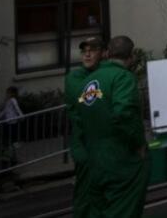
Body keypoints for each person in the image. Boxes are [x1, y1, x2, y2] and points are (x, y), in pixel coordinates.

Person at [73, 35, 149, 217]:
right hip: (119, 158)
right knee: (124, 207)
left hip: (93, 158)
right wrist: (139, 143)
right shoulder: (123, 78)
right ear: (130, 57)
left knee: (98, 209)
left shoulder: (88, 81)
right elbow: (124, 113)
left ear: (107, 53)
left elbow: (79, 117)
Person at [65, 36, 106, 217]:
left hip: (105, 145)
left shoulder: (106, 73)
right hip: (84, 143)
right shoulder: (75, 77)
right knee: (85, 191)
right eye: (84, 51)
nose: (87, 54)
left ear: (103, 53)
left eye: (92, 50)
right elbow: (83, 99)